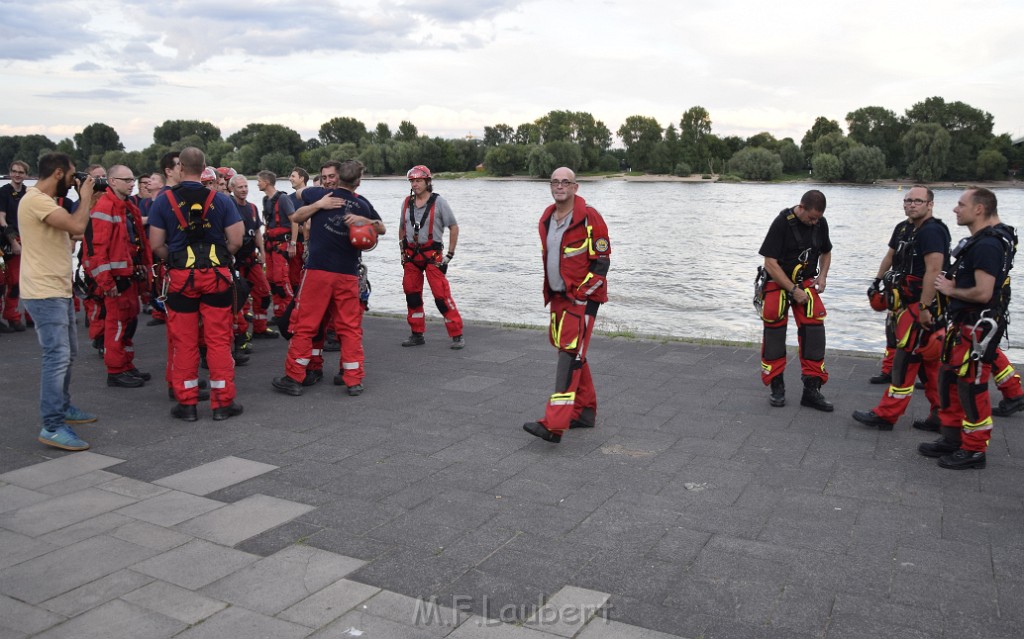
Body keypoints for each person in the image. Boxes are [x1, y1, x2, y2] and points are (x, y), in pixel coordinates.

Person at [919, 188, 1017, 470]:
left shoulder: (988, 245)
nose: (955, 209)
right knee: (949, 381)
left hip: (976, 327)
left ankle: (974, 450)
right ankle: (951, 438)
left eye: (961, 204)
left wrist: (951, 289)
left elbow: (984, 292)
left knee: (971, 389)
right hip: (964, 325)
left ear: (979, 209)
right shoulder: (986, 240)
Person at [272, 160, 385, 397]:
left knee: (304, 324)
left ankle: (294, 376)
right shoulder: (362, 204)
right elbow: (382, 228)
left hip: (318, 273)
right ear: (358, 182)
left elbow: (297, 203)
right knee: (349, 328)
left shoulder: (320, 193)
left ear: (338, 177)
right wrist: (365, 221)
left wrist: (319, 202)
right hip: (347, 274)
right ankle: (353, 379)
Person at [148, 147, 244, 422]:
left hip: (181, 279)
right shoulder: (222, 200)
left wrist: (178, 259)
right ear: (204, 167)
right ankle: (223, 403)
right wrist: (217, 256)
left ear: (180, 169)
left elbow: (156, 245)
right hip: (216, 277)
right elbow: (236, 241)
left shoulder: (164, 201)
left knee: (184, 342)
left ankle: (187, 404)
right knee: (218, 341)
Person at [522, 167, 610, 444]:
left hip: (582, 299)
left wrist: (582, 294)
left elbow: (602, 262)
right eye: (555, 182)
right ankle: (584, 413)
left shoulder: (590, 217)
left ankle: (554, 424)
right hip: (558, 297)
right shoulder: (547, 217)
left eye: (565, 182)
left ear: (576, 187)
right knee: (569, 351)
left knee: (569, 357)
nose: (560, 186)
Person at [852, 187, 950, 430]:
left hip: (921, 306)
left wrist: (926, 306)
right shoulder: (903, 228)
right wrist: (876, 282)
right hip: (905, 304)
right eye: (908, 200)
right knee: (929, 366)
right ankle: (941, 416)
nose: (911, 204)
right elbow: (890, 256)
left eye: (918, 200)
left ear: (930, 204)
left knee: (905, 360)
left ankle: (887, 414)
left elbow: (934, 271)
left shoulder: (933, 231)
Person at [19, 153, 97, 450]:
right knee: (57, 356)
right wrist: (86, 196)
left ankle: (62, 407)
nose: (74, 181)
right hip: (43, 291)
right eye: (72, 176)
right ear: (58, 174)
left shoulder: (47, 202)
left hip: (58, 289)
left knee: (68, 353)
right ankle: (52, 425)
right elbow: (78, 227)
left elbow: (69, 231)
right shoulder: (36, 200)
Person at [757, 189, 833, 411]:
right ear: (801, 207)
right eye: (811, 218)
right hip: (778, 281)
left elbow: (826, 252)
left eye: (817, 218)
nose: (814, 222)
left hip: (805, 281)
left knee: (815, 331)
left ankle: (811, 390)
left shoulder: (820, 223)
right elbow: (770, 262)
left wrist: (823, 276)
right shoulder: (781, 223)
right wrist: (792, 290)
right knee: (774, 331)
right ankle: (776, 386)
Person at [83, 164, 153, 388]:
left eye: (133, 180)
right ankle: (115, 370)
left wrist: (141, 267)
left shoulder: (126, 206)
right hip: (116, 280)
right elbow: (97, 248)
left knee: (129, 321)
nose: (132, 184)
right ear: (112, 182)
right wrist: (106, 281)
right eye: (127, 180)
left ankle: (126, 365)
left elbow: (131, 243)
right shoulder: (105, 207)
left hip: (127, 277)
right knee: (117, 324)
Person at [398, 164, 465, 349]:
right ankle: (417, 334)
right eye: (412, 181)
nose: (415, 184)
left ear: (428, 181)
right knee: (412, 295)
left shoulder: (439, 203)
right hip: (411, 256)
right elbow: (402, 229)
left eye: (418, 180)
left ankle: (457, 334)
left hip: (433, 256)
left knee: (441, 297)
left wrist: (450, 255)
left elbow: (454, 227)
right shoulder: (406, 203)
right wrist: (402, 252)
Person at [228, 174, 276, 339]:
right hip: (234, 262)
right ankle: (239, 333)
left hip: (251, 259)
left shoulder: (253, 208)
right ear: (232, 189)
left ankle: (260, 328)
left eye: (245, 187)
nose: (243, 190)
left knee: (263, 293)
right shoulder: (228, 207)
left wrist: (262, 252)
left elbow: (257, 232)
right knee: (237, 298)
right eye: (240, 187)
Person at [258, 170, 295, 322]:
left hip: (282, 244)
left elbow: (295, 221)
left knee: (281, 280)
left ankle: (291, 314)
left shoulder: (284, 199)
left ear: (266, 182)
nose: (258, 183)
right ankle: (279, 314)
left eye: (259, 181)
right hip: (270, 245)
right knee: (271, 279)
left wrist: (292, 243)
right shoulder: (266, 200)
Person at [0, 160, 30, 331]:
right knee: (5, 280)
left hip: (25, 239)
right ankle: (9, 315)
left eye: (21, 172)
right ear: (9, 172)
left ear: (26, 174)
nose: (17, 174)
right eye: (14, 171)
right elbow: (1, 219)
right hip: (5, 242)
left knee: (19, 280)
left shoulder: (28, 193)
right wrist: (13, 241)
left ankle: (14, 315)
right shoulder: (4, 192)